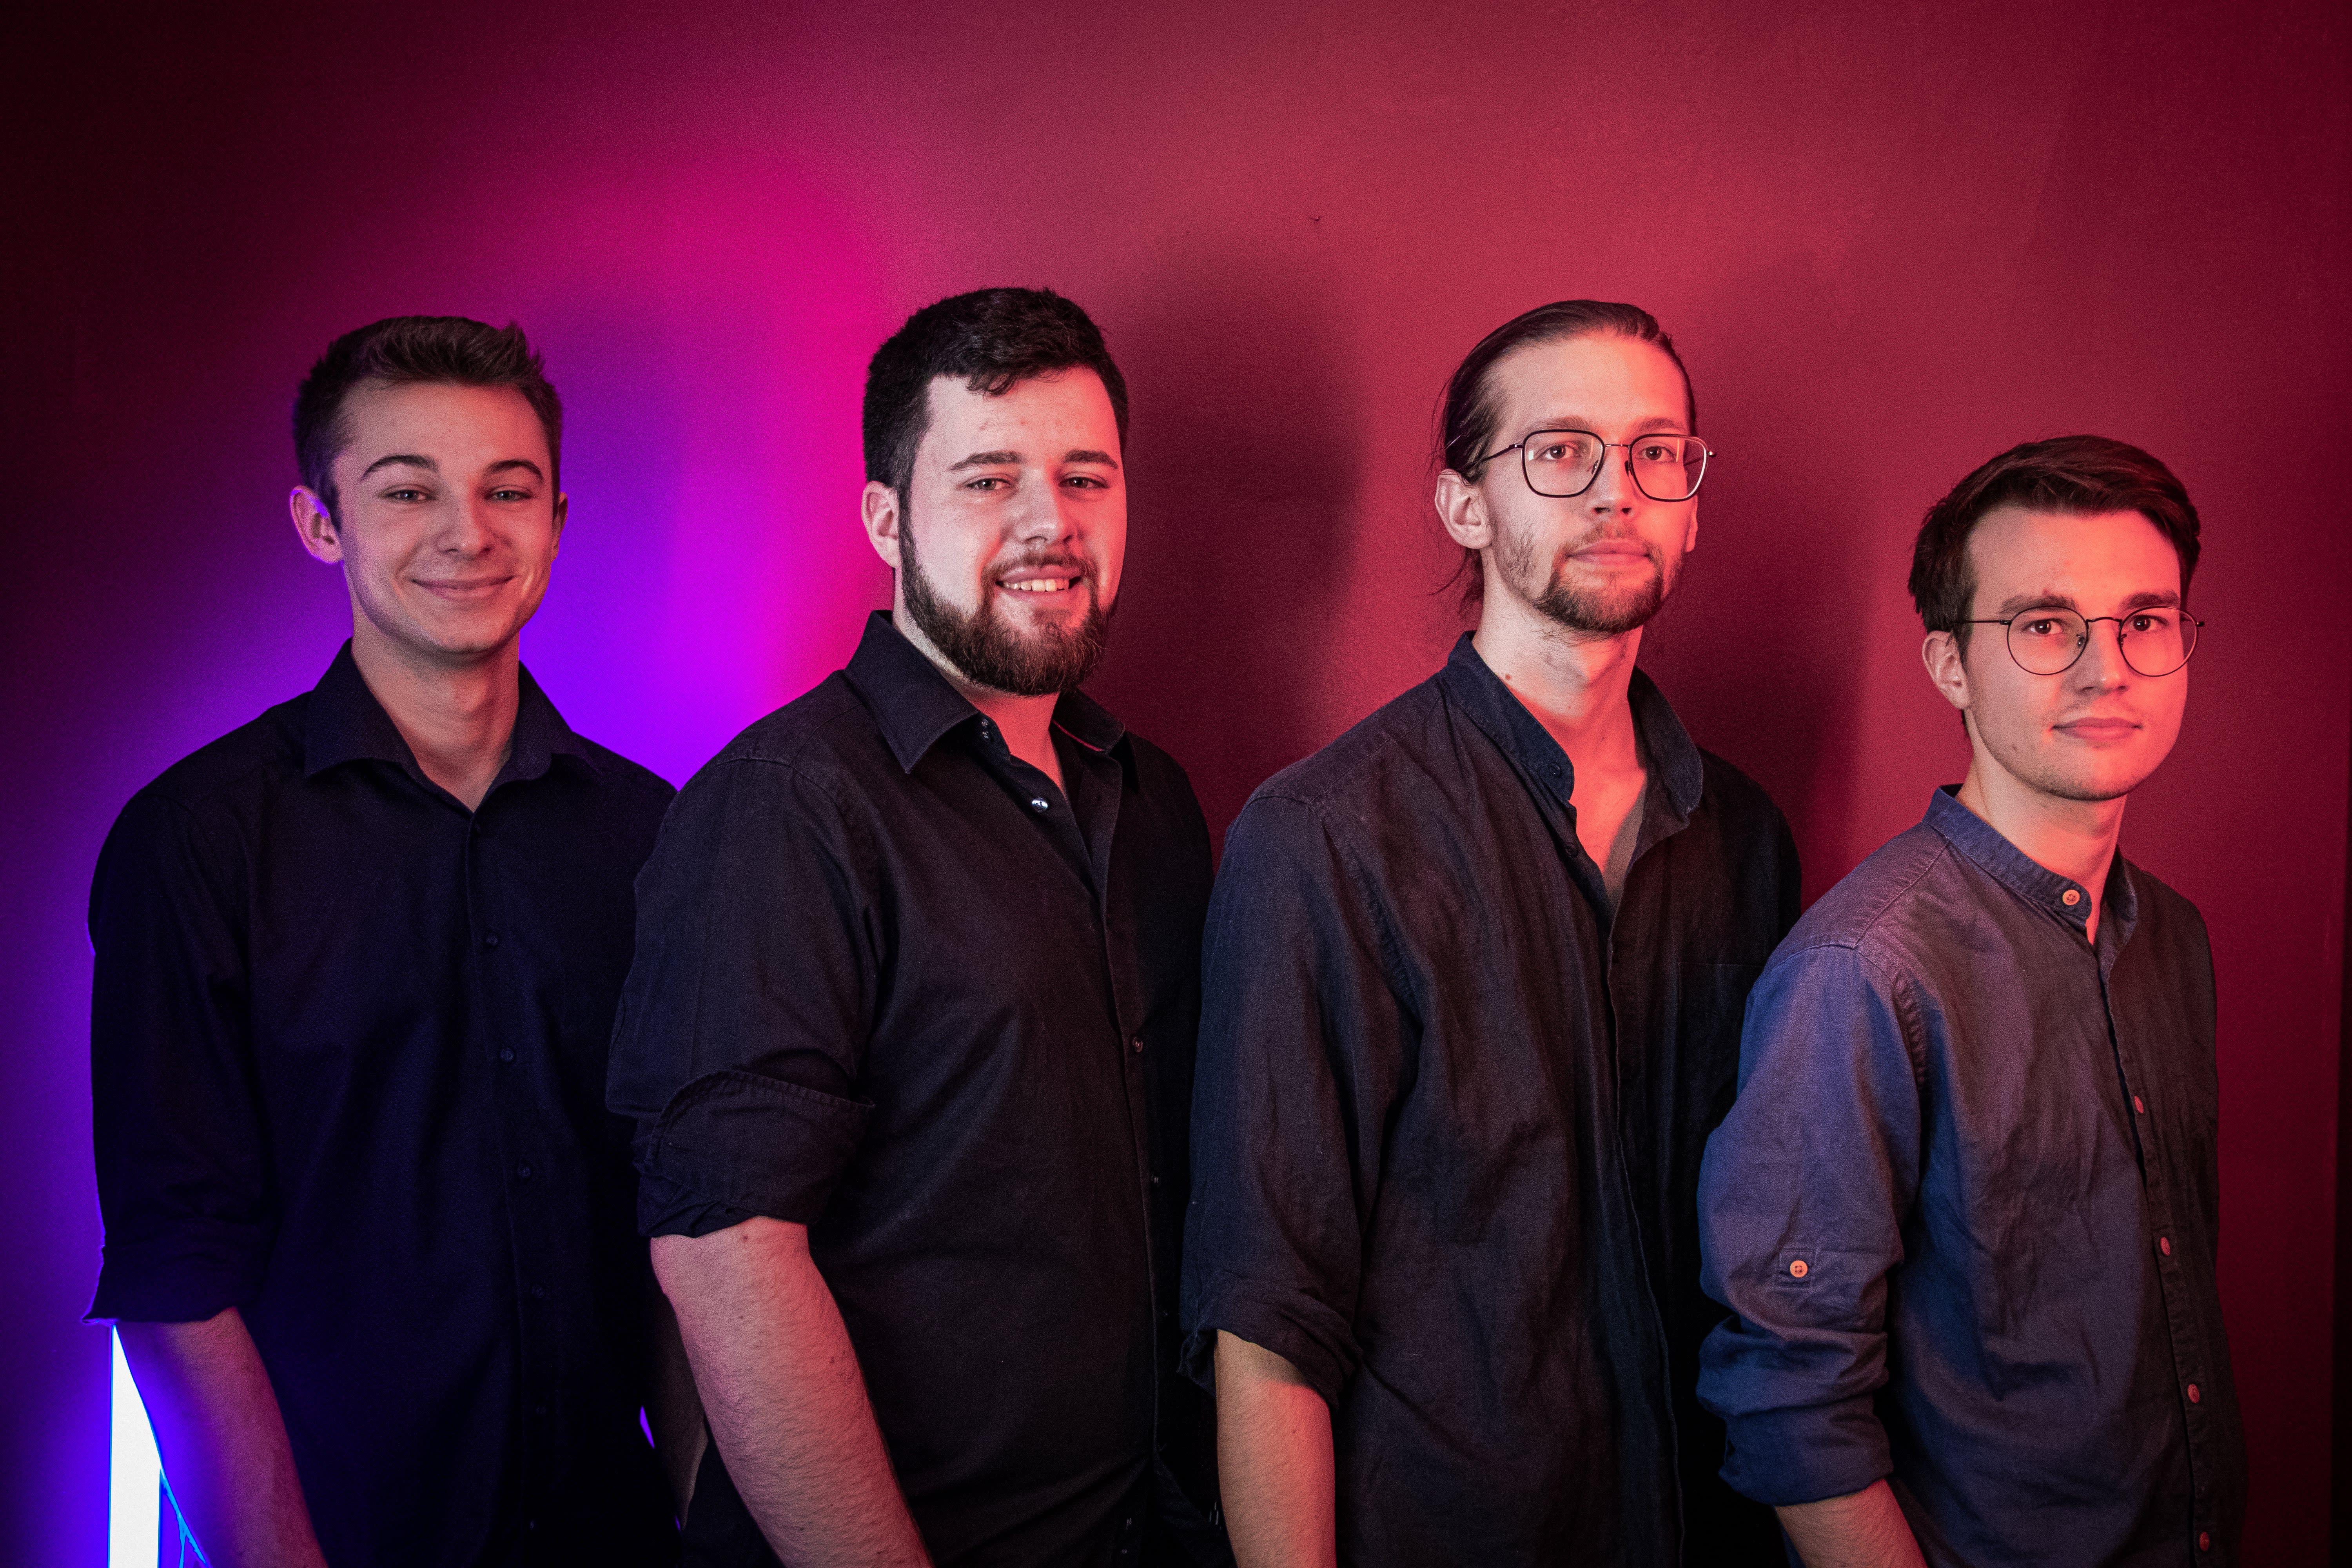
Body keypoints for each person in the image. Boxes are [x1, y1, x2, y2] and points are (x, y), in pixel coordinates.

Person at [607, 287, 1224, 1567]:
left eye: (1086, 478)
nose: (1050, 522)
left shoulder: (1153, 800)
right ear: (888, 520)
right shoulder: (785, 808)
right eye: (989, 480)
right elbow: (727, 1252)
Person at [1183, 299, 1797, 1566]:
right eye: (1561, 451)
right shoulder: (1323, 839)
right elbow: (1267, 1318)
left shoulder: (1746, 841)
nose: (1616, 491)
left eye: (1655, 454)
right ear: (1465, 505)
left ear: (1692, 506)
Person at [89, 316, 690, 1566]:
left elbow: (689, 1221)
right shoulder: (197, 840)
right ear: (322, 523)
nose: (467, 533)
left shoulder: (655, 836)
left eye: (506, 491)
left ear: (557, 522)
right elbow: (174, 1267)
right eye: (407, 491)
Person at [1696, 435, 2245, 1566]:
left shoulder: (2172, 939)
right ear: (1949, 664)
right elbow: (1791, 1398)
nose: (2107, 669)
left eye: (2145, 620)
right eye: (2045, 625)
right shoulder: (1863, 972)